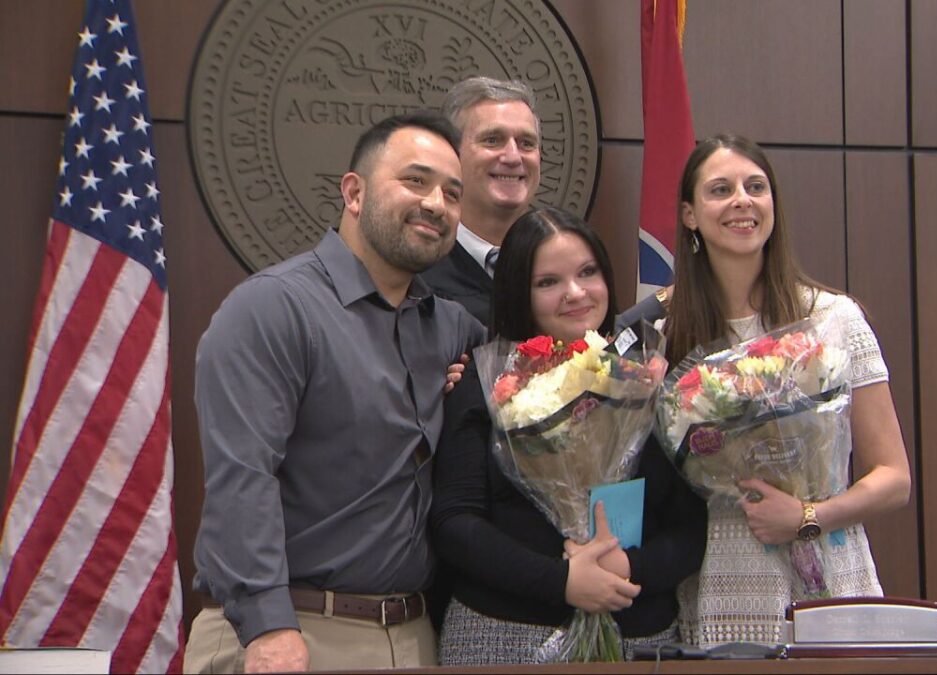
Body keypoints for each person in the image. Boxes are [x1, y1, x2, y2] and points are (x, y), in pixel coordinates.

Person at [184, 112, 487, 673]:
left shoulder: (454, 330)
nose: (437, 204)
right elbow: (241, 477)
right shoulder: (273, 308)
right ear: (354, 191)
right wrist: (269, 627)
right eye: (415, 181)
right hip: (292, 636)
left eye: (452, 192)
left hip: (416, 637)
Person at [664, 134, 912, 646]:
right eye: (720, 189)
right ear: (690, 214)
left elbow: (894, 478)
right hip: (717, 580)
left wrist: (804, 518)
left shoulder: (834, 318)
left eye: (756, 187)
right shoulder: (663, 329)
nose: (742, 201)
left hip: (829, 567)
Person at [429, 207, 706, 664]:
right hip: (504, 640)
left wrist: (627, 569)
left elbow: (691, 527)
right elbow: (455, 524)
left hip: (640, 640)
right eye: (548, 282)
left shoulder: (648, 381)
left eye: (587, 272)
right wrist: (563, 581)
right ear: (520, 292)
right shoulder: (484, 382)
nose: (575, 293)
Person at [422, 76, 667, 329]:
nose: (513, 156)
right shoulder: (420, 270)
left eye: (526, 143)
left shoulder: (567, 248)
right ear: (450, 152)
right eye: (492, 140)